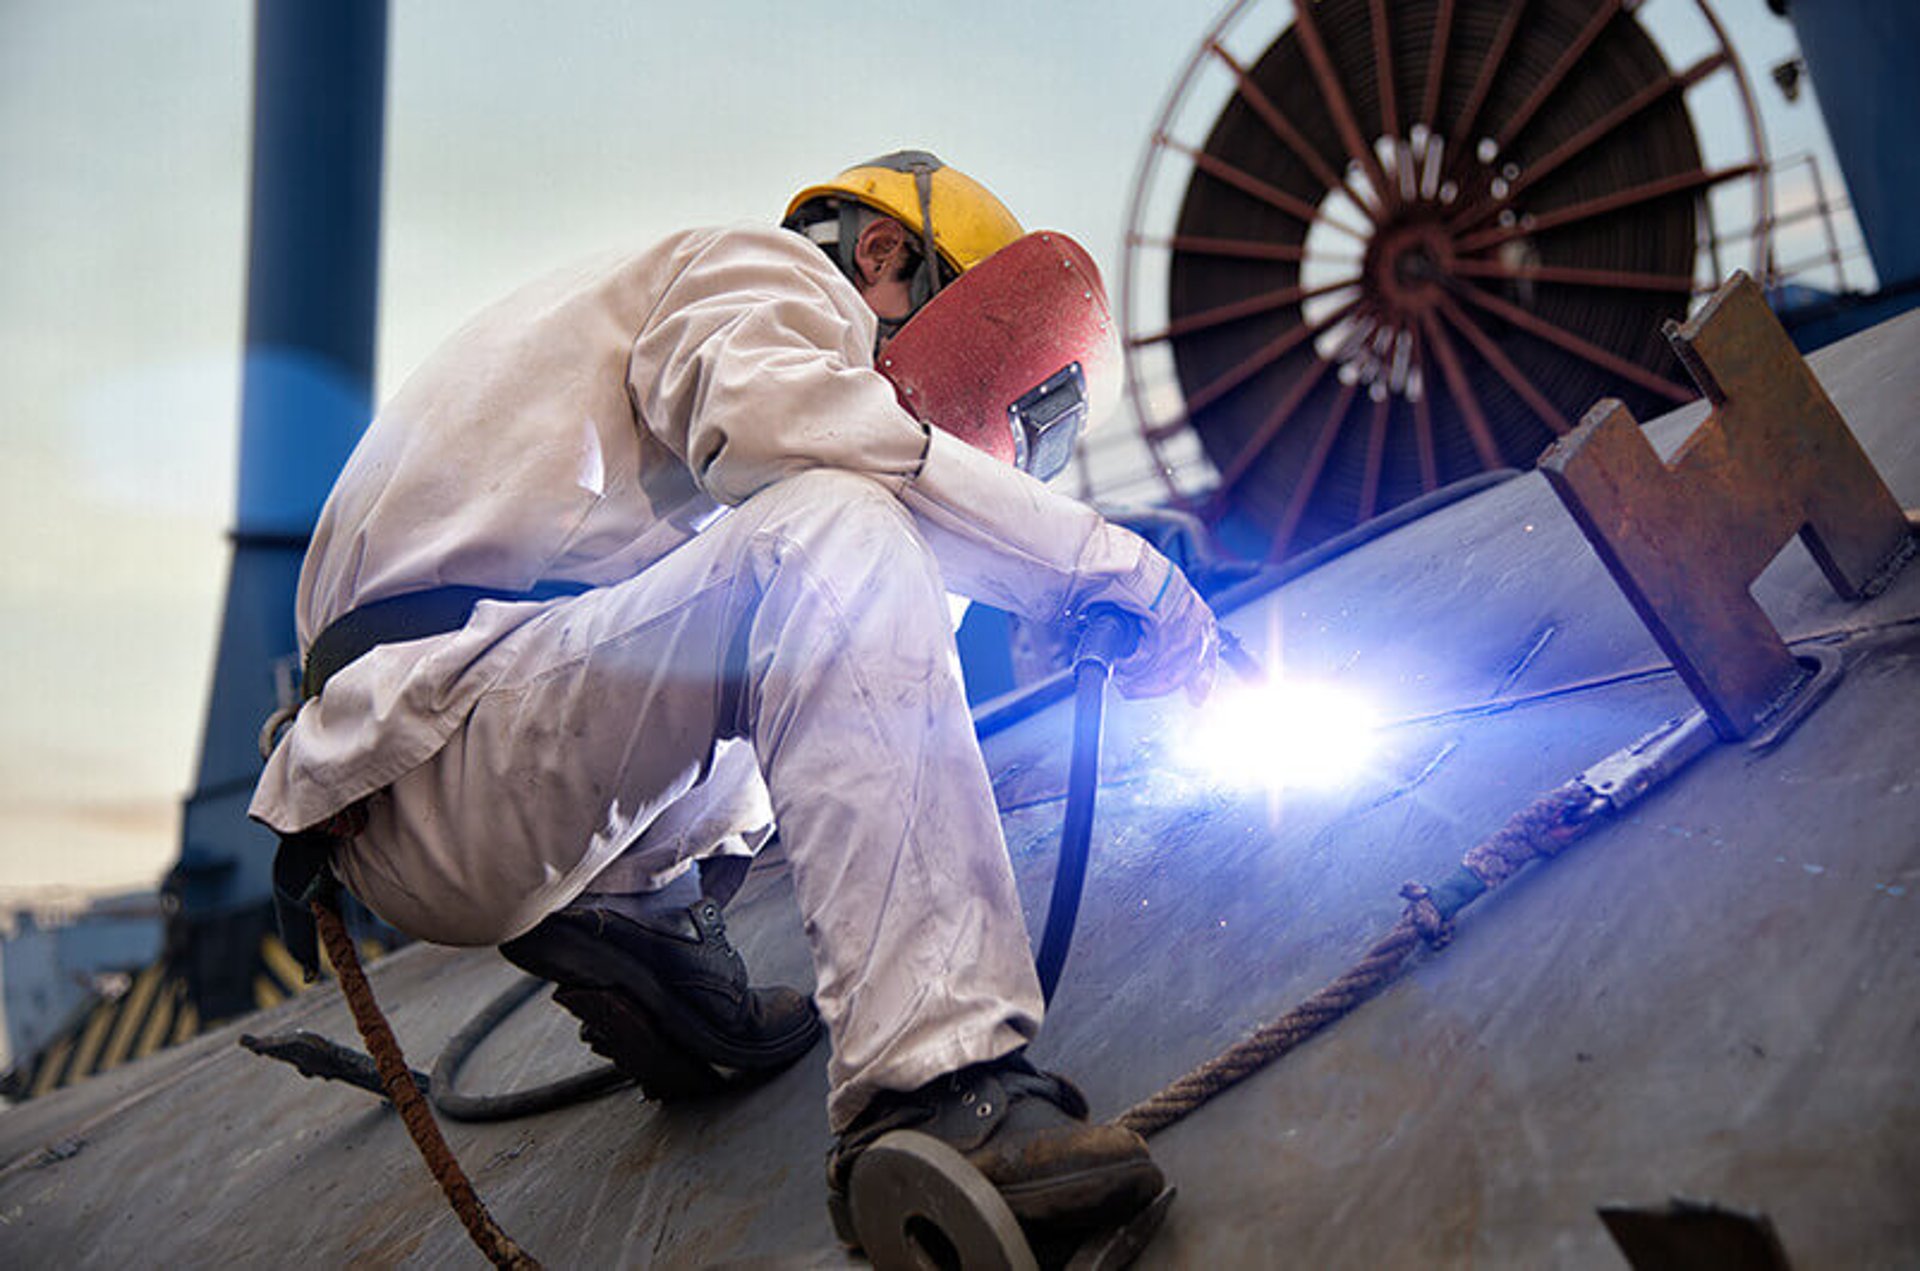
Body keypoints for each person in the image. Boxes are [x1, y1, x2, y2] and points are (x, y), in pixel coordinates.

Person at [250, 150, 1217, 1246]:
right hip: (448, 732)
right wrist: (1119, 572)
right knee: (838, 526)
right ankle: (938, 1095)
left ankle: (644, 922)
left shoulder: (660, 395)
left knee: (863, 576)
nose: (941, 422)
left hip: (480, 745)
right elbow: (798, 437)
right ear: (885, 253)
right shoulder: (769, 274)